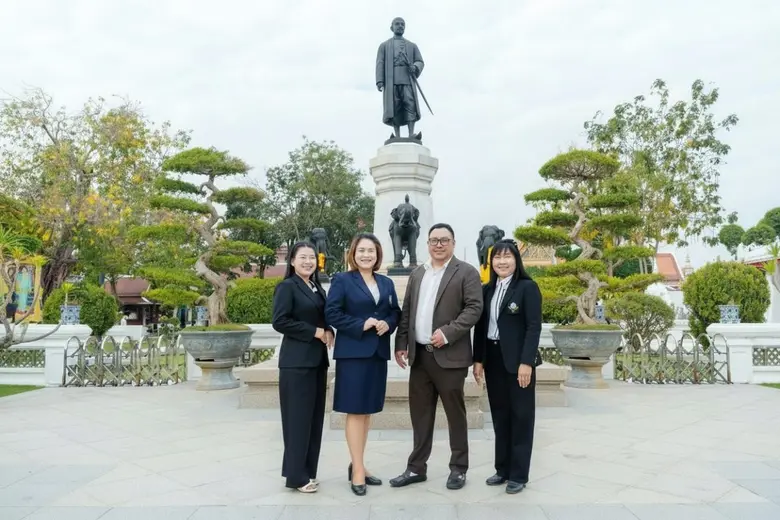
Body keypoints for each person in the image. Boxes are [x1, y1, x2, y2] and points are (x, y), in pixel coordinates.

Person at [390, 223, 483, 490]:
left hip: (450, 357)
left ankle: (459, 468)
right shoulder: (418, 273)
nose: (438, 245)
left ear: (453, 242)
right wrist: (401, 342)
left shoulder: (466, 272)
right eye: (433, 240)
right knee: (420, 416)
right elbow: (407, 311)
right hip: (420, 358)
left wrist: (448, 332)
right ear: (427, 244)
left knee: (455, 414)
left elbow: (474, 308)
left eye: (444, 240)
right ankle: (416, 468)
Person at [325, 233, 401, 496]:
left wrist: (386, 324)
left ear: (378, 254)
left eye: (371, 251)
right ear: (353, 254)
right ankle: (357, 471)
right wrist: (362, 324)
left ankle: (358, 463)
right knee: (355, 411)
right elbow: (332, 313)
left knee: (367, 411)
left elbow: (394, 312)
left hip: (377, 354)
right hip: (353, 354)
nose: (366, 255)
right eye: (361, 251)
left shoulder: (387, 283)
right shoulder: (342, 280)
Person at [472, 239, 543, 494]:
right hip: (493, 359)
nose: (502, 262)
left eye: (507, 257)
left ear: (516, 260)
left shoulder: (527, 288)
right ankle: (502, 469)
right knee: (500, 417)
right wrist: (478, 360)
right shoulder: (486, 290)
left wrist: (527, 362)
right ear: (491, 262)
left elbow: (533, 327)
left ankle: (518, 475)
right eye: (497, 258)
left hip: (518, 363)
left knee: (521, 418)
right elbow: (480, 328)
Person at [271, 241, 335, 494]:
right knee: (297, 420)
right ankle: (296, 476)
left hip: (317, 362)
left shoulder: (317, 287)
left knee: (313, 420)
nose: (308, 262)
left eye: (312, 258)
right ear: (292, 261)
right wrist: (316, 332)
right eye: (303, 257)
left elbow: (323, 317)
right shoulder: (287, 287)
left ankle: (308, 471)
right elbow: (280, 321)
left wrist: (328, 330)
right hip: (295, 364)